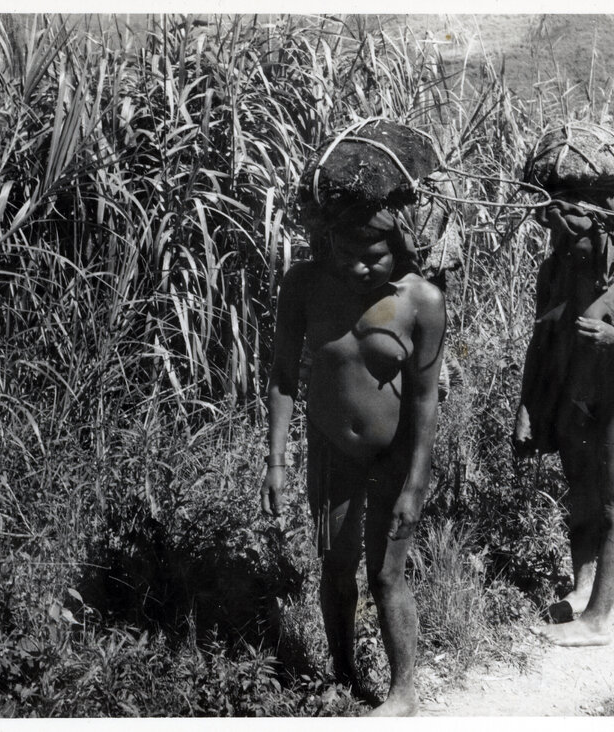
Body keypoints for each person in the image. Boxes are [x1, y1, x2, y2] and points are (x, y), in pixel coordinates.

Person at [259, 207, 446, 715]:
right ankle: (343, 676)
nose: (358, 267)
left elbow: (426, 400)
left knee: (387, 573)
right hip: (330, 450)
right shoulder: (304, 285)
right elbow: (281, 375)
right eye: (345, 254)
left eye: (373, 257)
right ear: (327, 244)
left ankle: (403, 691)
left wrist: (416, 483)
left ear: (399, 249)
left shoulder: (421, 302)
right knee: (336, 565)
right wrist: (276, 461)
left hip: (395, 456)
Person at [513, 190, 614, 647]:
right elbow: (540, 342)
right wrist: (526, 405)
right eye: (555, 235)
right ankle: (583, 591)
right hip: (573, 394)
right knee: (580, 492)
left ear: (601, 230)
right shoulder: (556, 270)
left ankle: (599, 619)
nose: (561, 246)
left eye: (570, 238)